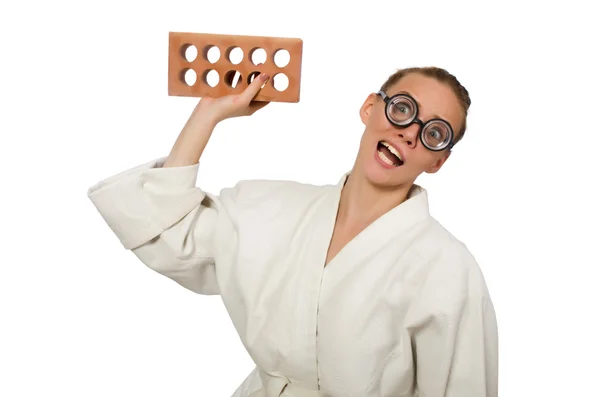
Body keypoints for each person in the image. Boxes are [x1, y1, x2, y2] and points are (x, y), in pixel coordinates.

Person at [87, 66, 498, 397]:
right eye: (403, 109)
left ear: (437, 162)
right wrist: (209, 113)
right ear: (370, 108)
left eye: (434, 133)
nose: (410, 132)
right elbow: (167, 230)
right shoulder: (271, 210)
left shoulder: (447, 269)